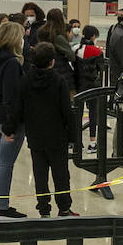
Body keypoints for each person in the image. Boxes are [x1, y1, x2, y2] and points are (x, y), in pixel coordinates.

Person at [20, 42, 77, 218]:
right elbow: (66, 109)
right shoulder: (59, 80)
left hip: (35, 134)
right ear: (52, 62)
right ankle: (64, 208)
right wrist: (73, 134)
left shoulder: (26, 80)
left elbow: (20, 106)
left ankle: (44, 208)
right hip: (57, 135)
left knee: (40, 173)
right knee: (61, 174)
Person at [0, 21, 28, 220]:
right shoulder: (11, 63)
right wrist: (11, 126)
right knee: (5, 164)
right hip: (7, 119)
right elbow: (11, 96)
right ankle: (3, 208)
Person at [40, 8, 75, 88]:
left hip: (44, 70)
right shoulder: (58, 37)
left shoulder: (41, 33)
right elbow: (71, 56)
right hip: (61, 71)